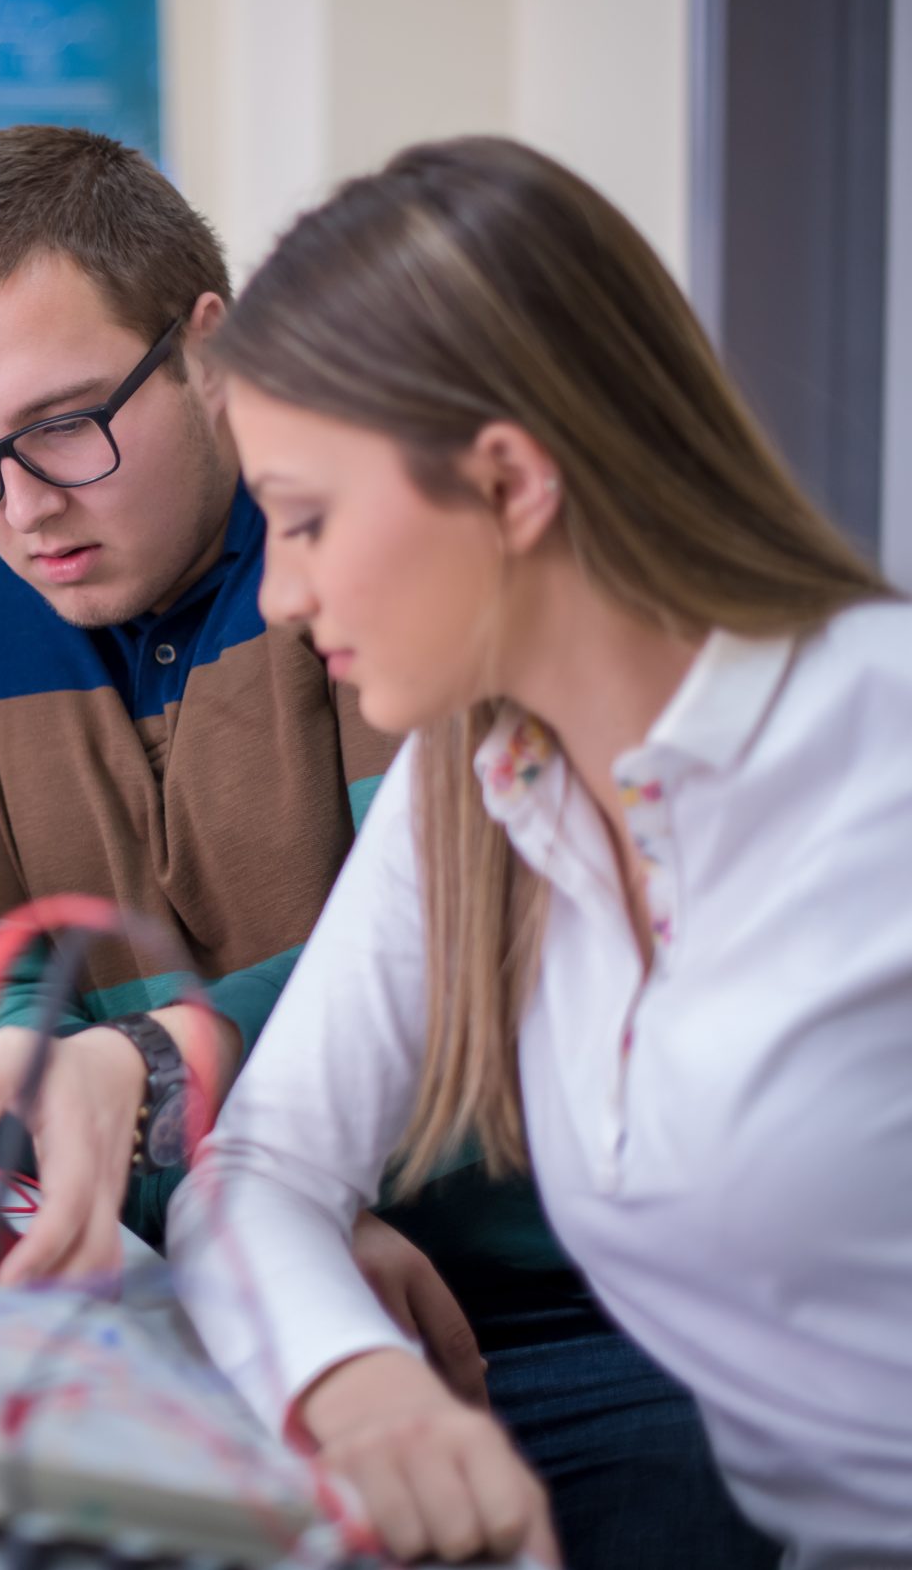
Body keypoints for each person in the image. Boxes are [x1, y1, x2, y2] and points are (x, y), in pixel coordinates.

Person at [0, 126, 769, 1567]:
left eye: (63, 424)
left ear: (204, 351)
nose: (22, 502)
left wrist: (151, 1073)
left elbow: (467, 994)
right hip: (218, 1270)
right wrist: (248, 1217)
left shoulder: (407, 592)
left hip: (561, 1312)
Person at [170, 135, 910, 1567]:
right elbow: (254, 1168)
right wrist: (356, 1381)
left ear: (509, 482)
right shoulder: (479, 779)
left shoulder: (878, 751)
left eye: (308, 518)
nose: (275, 592)